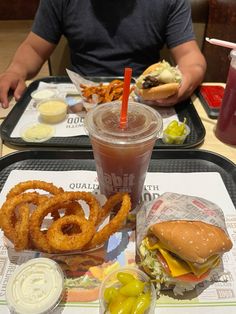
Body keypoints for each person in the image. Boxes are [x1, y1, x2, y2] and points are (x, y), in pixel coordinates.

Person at [0, 0, 206, 108]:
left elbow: (191, 58)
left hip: (144, 101)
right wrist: (15, 71)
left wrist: (187, 79)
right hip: (83, 98)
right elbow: (35, 48)